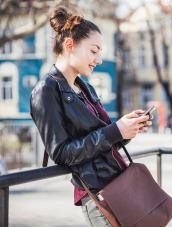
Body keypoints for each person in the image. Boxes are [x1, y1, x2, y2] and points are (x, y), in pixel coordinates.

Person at [30, 7, 153, 226]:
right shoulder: (45, 90)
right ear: (69, 45)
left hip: (119, 185)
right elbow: (61, 153)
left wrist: (128, 128)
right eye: (94, 51)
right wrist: (116, 131)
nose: (99, 59)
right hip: (98, 196)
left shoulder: (84, 87)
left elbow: (105, 138)